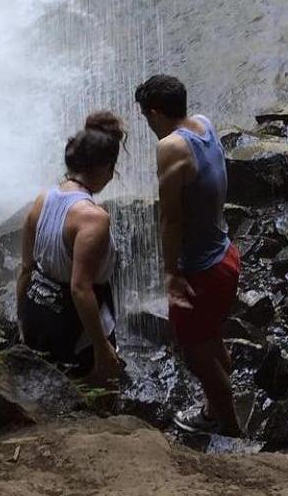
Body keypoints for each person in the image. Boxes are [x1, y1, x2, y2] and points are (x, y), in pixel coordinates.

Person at [135, 74, 242, 436]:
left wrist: (170, 273)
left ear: (154, 113)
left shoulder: (170, 148)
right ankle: (221, 404)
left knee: (195, 350)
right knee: (209, 334)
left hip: (201, 271)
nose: (148, 126)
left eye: (147, 118)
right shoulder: (204, 125)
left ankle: (227, 425)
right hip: (226, 255)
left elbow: (171, 219)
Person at [17, 111, 124, 387]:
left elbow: (26, 269)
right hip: (75, 328)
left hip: (38, 314)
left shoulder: (42, 200)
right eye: (112, 168)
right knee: (97, 389)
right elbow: (80, 288)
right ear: (104, 168)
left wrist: (22, 321)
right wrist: (102, 348)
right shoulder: (93, 218)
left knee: (53, 387)